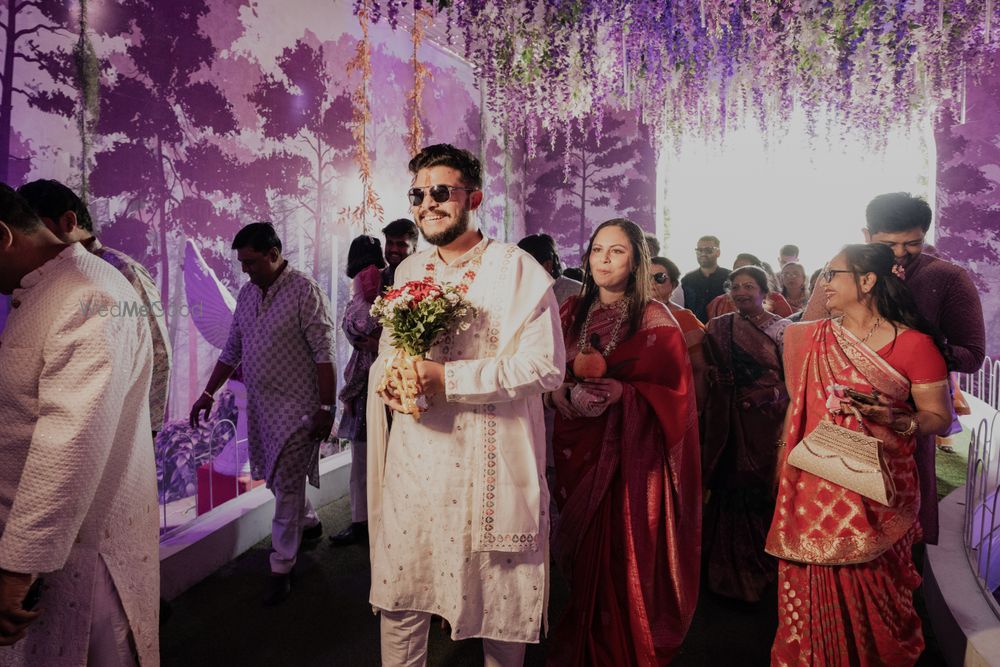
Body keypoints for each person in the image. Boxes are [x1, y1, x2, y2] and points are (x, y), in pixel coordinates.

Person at [366, 144, 564, 666]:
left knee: (500, 609)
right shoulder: (408, 270)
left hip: (487, 469)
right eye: (417, 194)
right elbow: (388, 351)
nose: (427, 203)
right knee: (402, 598)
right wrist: (391, 380)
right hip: (415, 467)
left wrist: (446, 378)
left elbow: (545, 367)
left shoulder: (516, 269)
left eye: (440, 191)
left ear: (474, 197)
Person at [767, 243, 953, 664]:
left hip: (880, 489)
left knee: (878, 590)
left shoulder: (915, 344)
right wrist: (782, 460)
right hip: (815, 482)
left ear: (867, 281)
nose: (824, 283)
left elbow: (938, 417)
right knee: (811, 582)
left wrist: (898, 420)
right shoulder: (812, 337)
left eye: (833, 274)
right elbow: (798, 406)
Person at [0, 184, 159, 664]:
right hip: (46, 539)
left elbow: (68, 443)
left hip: (81, 546)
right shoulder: (46, 287)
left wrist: (17, 569)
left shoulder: (91, 294)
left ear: (3, 236)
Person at [547, 219, 701, 665]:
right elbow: (547, 369)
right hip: (576, 442)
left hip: (630, 456)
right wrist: (557, 394)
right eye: (597, 250)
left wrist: (625, 393)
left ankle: (620, 641)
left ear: (636, 261)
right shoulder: (571, 309)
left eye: (616, 251)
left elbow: (677, 395)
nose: (604, 260)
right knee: (582, 551)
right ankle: (588, 627)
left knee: (620, 548)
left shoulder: (655, 318)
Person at [802, 192, 985, 544]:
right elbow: (810, 335)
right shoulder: (843, 270)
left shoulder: (947, 278)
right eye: (888, 244)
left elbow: (973, 355)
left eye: (912, 243)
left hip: (908, 422)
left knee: (904, 527)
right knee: (837, 525)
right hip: (839, 419)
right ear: (866, 234)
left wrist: (912, 354)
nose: (900, 253)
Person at [190, 222, 336, 605]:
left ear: (273, 254)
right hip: (261, 409)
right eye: (242, 263)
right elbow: (231, 349)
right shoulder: (247, 293)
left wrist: (327, 407)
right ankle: (309, 522)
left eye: (251, 262)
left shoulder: (305, 292)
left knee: (285, 483)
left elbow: (325, 353)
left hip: (299, 408)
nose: (245, 270)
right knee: (277, 479)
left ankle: (281, 566)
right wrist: (207, 393)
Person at [17, 178, 172, 434]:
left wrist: (148, 430)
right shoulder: (43, 275)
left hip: (114, 421)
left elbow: (158, 349)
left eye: (36, 231)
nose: (30, 242)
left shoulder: (123, 270)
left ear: (68, 222)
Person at [701, 265, 789, 602]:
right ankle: (723, 576)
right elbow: (709, 368)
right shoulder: (719, 326)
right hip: (727, 421)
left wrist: (766, 395)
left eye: (749, 286)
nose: (741, 292)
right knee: (727, 490)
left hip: (765, 425)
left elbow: (793, 383)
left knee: (760, 493)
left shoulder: (783, 330)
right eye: (735, 286)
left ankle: (762, 575)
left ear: (765, 292)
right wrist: (714, 377)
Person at [330, 235, 386, 548]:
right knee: (367, 459)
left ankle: (362, 522)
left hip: (369, 379)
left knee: (363, 460)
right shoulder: (378, 282)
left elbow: (364, 328)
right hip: (372, 376)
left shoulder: (368, 287)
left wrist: (349, 392)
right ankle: (368, 521)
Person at [651, 255, 707, 409]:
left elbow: (699, 368)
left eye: (659, 278)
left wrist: (697, 409)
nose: (651, 283)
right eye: (645, 277)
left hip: (675, 400)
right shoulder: (631, 315)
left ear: (674, 284)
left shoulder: (683, 318)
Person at [705, 253, 793, 320]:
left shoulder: (776, 299)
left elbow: (788, 330)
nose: (741, 273)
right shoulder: (718, 302)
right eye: (737, 269)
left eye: (745, 269)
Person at [517, 233, 582, 305]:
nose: (518, 273)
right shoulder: (521, 294)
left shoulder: (578, 293)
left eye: (524, 267)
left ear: (547, 265)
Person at [681, 235, 730, 323]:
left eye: (708, 250)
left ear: (718, 253)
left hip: (724, 327)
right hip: (694, 329)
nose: (703, 254)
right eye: (699, 250)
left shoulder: (730, 277)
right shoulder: (687, 280)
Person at [381, 217, 418, 288]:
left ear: (414, 248)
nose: (394, 249)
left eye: (401, 244)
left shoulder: (423, 278)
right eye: (390, 243)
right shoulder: (375, 279)